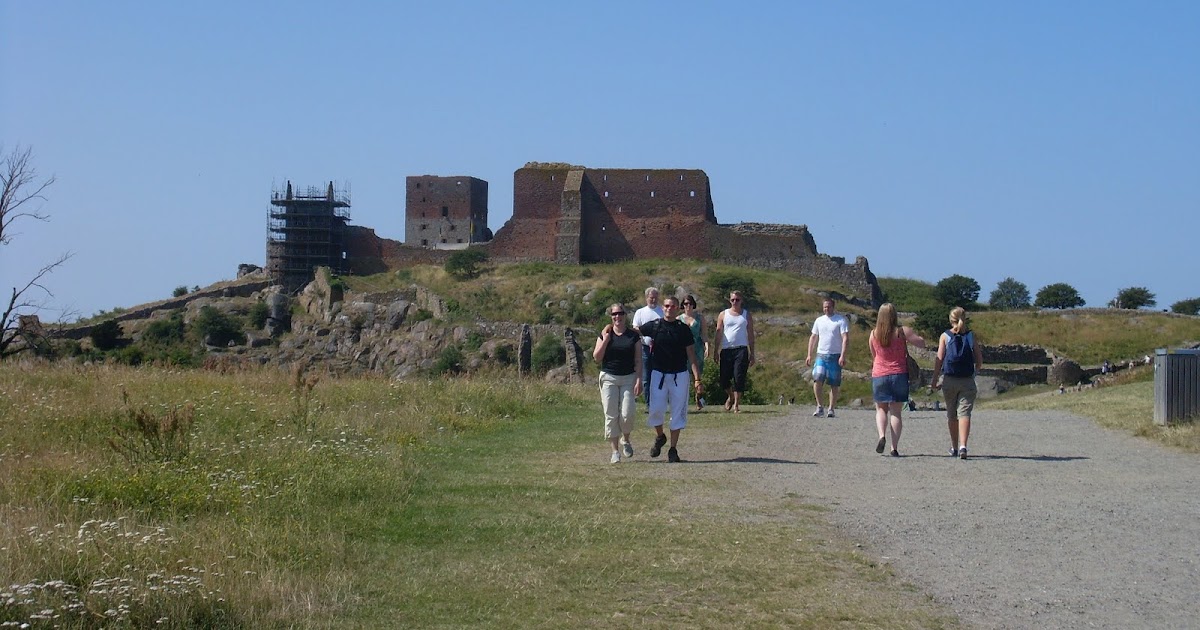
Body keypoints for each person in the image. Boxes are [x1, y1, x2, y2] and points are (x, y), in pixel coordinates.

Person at [636, 296, 703, 463]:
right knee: (655, 410)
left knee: (677, 413)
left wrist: (697, 379)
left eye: (673, 306)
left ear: (677, 309)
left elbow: (691, 355)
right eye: (666, 306)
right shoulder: (655, 325)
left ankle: (673, 449)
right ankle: (660, 436)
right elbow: (635, 331)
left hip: (679, 375)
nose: (669, 309)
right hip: (658, 374)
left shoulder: (683, 329)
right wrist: (611, 327)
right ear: (663, 307)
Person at [868, 303, 925, 457]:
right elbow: (921, 343)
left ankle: (881, 435)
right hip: (899, 374)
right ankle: (894, 447)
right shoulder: (901, 331)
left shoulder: (873, 334)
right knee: (896, 412)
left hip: (879, 374)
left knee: (881, 409)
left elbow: (874, 355)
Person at [930, 307, 983, 460]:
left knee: (952, 414)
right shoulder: (971, 336)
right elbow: (979, 361)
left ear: (950, 319)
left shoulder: (945, 336)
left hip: (949, 380)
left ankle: (954, 446)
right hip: (967, 380)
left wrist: (934, 380)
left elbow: (939, 359)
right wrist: (973, 373)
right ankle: (963, 446)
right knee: (965, 413)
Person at [593, 303, 643, 464]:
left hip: (628, 377)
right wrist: (606, 340)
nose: (617, 317)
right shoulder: (605, 334)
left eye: (620, 313)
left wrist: (639, 379)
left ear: (625, 315)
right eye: (614, 314)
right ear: (611, 316)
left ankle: (625, 439)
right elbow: (597, 357)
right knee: (611, 414)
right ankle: (615, 451)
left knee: (627, 414)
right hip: (609, 377)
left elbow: (638, 359)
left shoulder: (633, 336)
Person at [806, 297, 850, 418]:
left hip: (835, 356)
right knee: (817, 378)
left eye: (829, 306)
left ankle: (831, 408)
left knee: (834, 383)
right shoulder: (819, 321)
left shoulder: (840, 320)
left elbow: (845, 338)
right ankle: (819, 406)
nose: (826, 309)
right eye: (825, 307)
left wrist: (842, 355)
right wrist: (809, 354)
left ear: (833, 307)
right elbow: (813, 337)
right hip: (821, 354)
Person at [712, 290, 755, 413]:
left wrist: (752, 353)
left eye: (737, 300)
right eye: (733, 300)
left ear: (742, 301)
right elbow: (718, 332)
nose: (735, 302)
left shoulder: (746, 315)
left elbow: (751, 334)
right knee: (724, 379)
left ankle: (736, 405)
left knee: (739, 376)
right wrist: (716, 350)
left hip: (741, 349)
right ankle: (730, 395)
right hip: (726, 349)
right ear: (729, 301)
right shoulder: (723, 314)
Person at [632, 287, 664, 404]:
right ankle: (648, 403)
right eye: (651, 298)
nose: (654, 300)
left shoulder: (662, 312)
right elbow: (635, 328)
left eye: (656, 297)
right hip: (644, 348)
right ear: (647, 298)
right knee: (646, 377)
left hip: (660, 349)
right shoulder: (640, 312)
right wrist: (644, 338)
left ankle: (659, 401)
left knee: (660, 376)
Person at [680, 295, 710, 411]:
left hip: (697, 348)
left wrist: (707, 346)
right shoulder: (679, 319)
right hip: (683, 350)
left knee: (697, 376)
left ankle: (698, 399)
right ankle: (683, 401)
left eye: (690, 304)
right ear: (682, 305)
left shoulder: (699, 318)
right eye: (686, 304)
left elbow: (704, 334)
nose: (688, 306)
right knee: (684, 376)